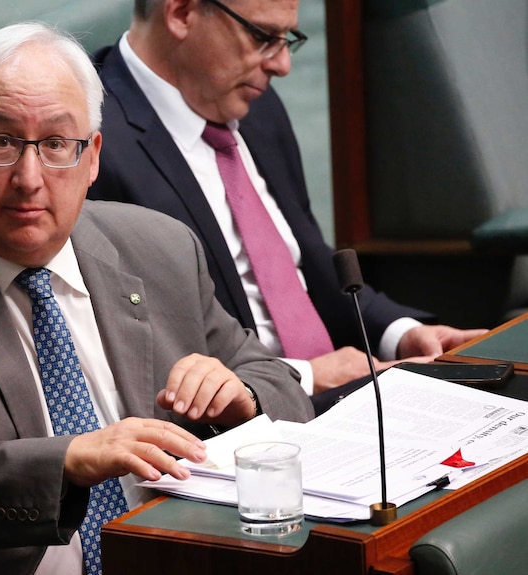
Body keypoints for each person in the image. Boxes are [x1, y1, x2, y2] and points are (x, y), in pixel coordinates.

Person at [0, 21, 313, 575]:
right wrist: (68, 461)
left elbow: (281, 387)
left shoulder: (158, 248)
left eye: (55, 145)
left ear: (92, 158)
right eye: (1, 142)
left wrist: (243, 398)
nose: (29, 177)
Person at [87, 0, 487, 411]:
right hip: (238, 430)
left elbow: (309, 277)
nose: (282, 65)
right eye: (262, 37)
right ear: (182, 13)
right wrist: (308, 377)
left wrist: (402, 333)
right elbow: (131, 355)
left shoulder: (255, 107)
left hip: (348, 393)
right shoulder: (88, 141)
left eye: (287, 40)